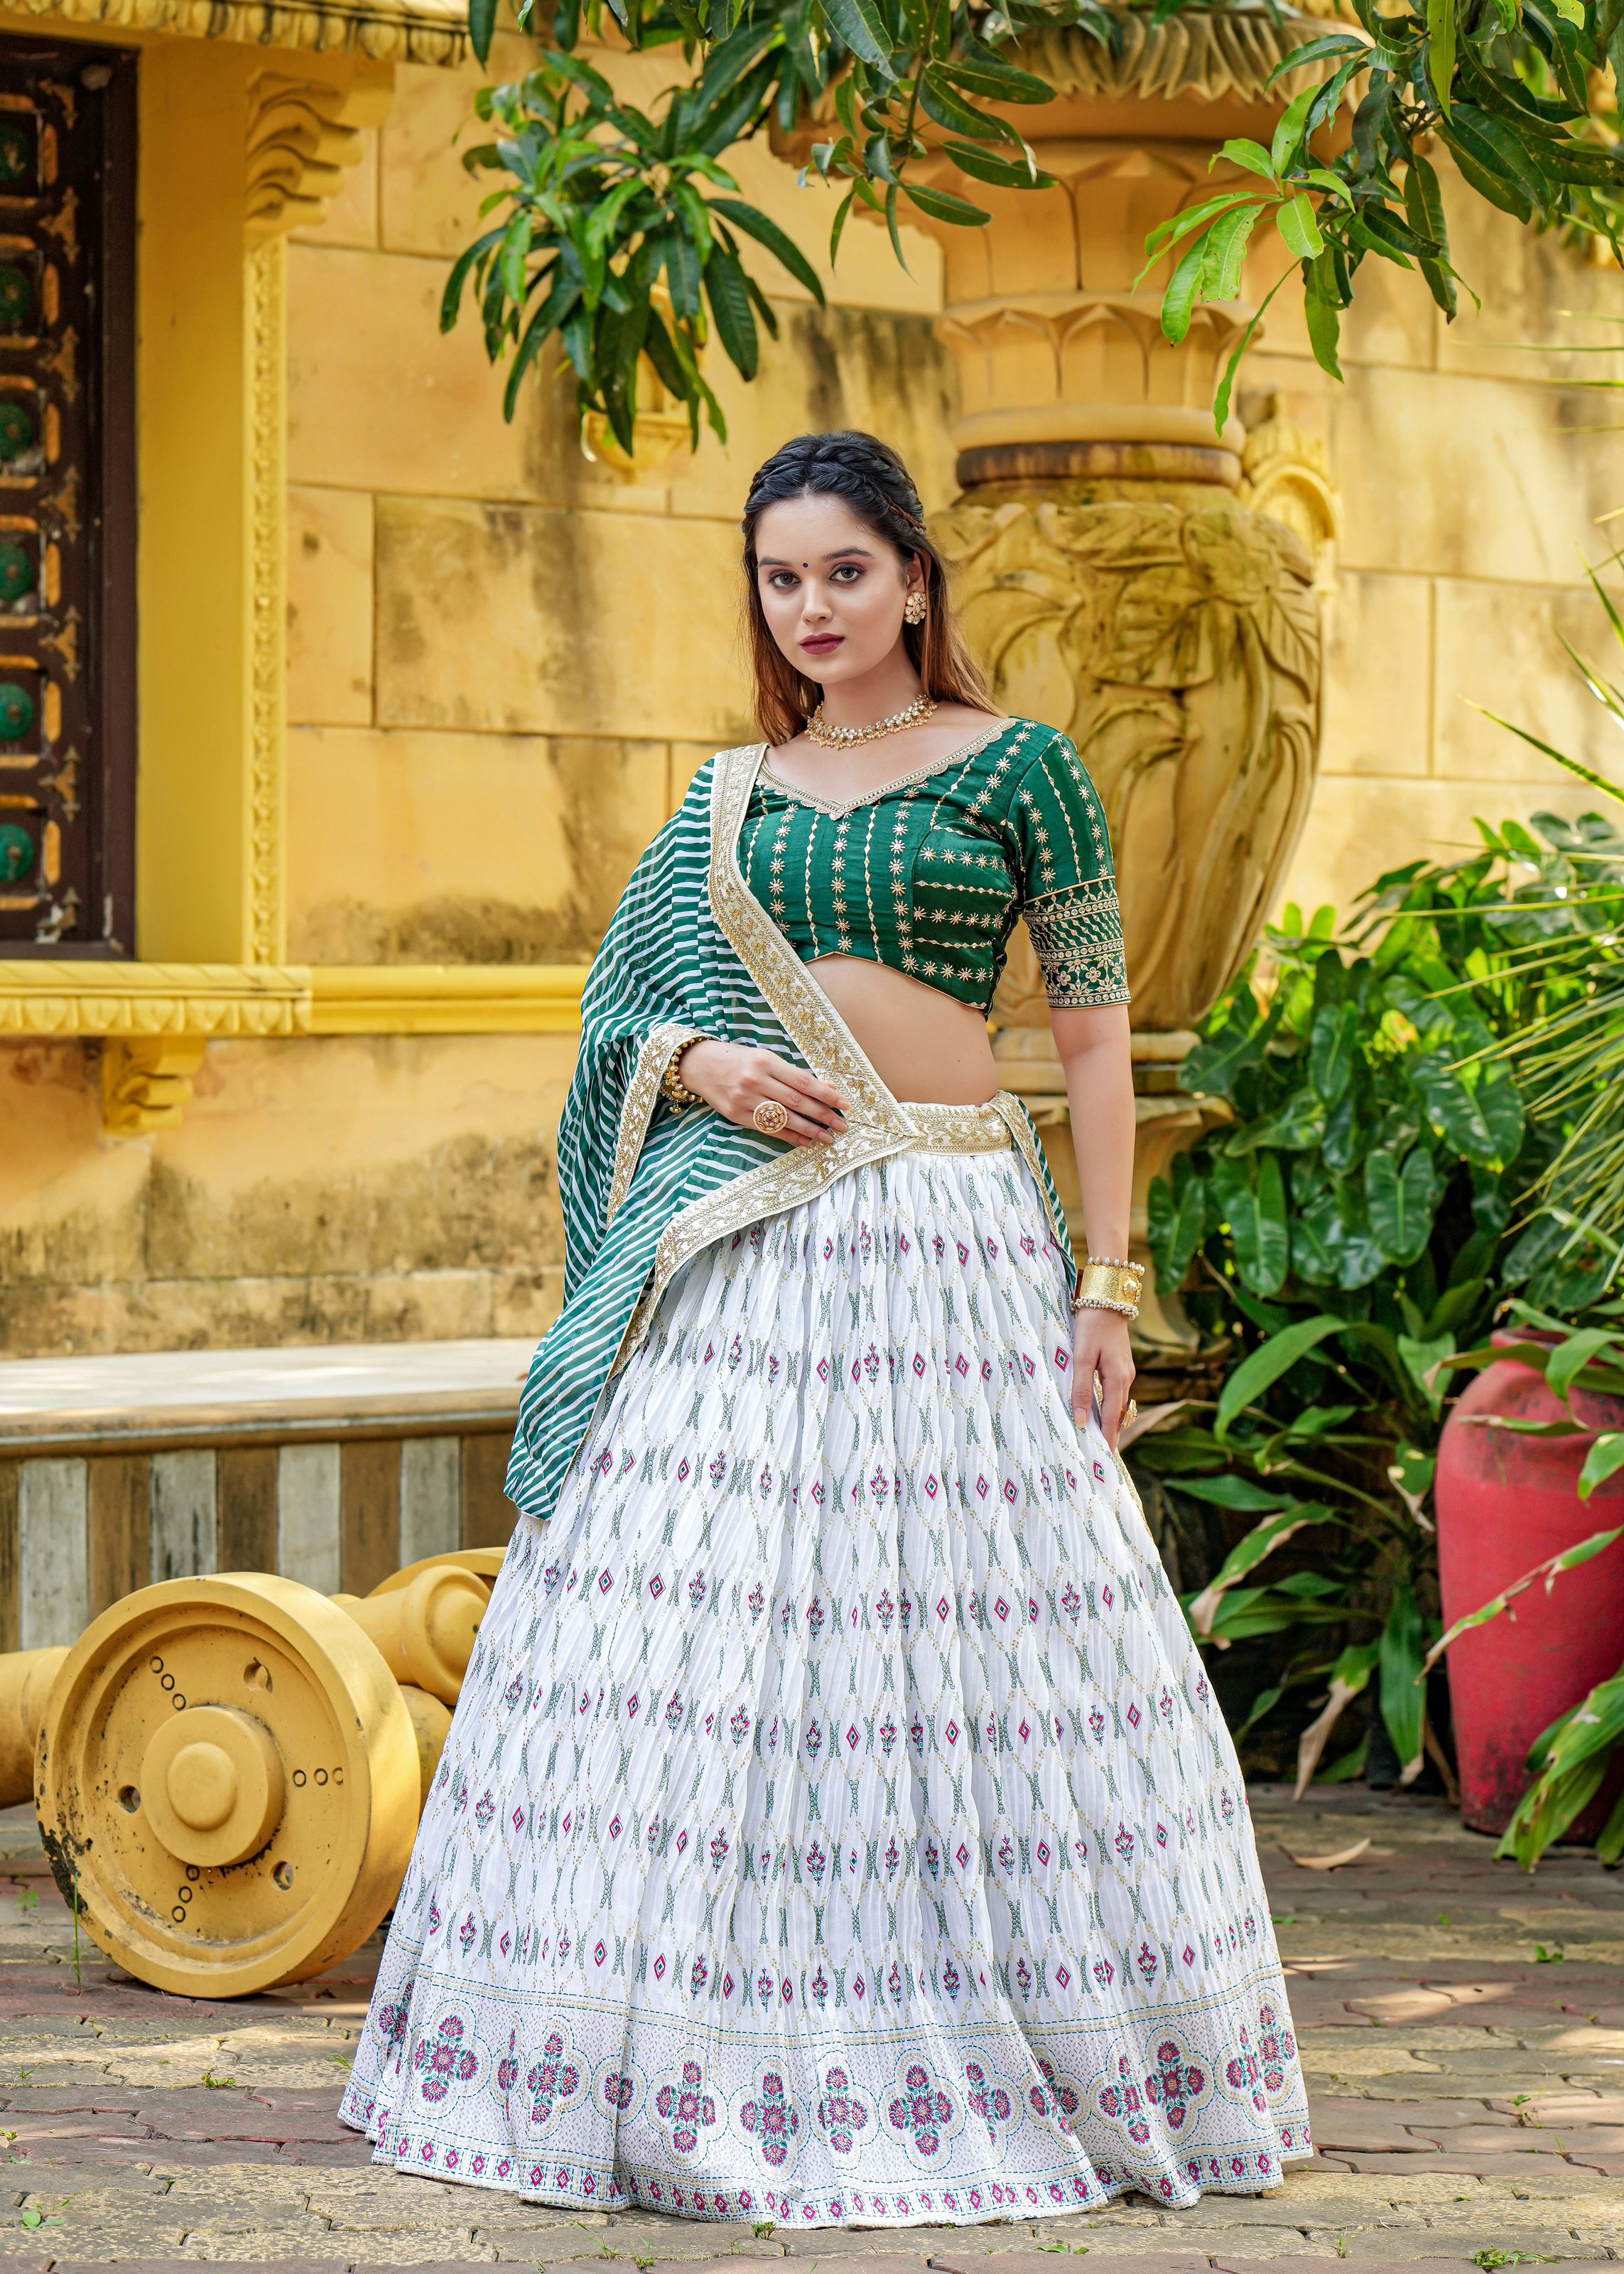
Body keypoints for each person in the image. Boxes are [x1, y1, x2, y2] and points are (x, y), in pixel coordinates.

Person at [340, 429, 1309, 2227]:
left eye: (846, 573)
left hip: (946, 1228)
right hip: (749, 1252)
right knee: (711, 1632)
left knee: (973, 1642)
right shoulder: (729, 797)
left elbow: (1093, 1044)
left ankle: (1020, 2034)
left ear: (915, 578)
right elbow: (623, 1004)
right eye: (783, 580)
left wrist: (1108, 1279)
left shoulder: (1021, 771)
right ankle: (684, 2043)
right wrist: (698, 1058)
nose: (814, 610)